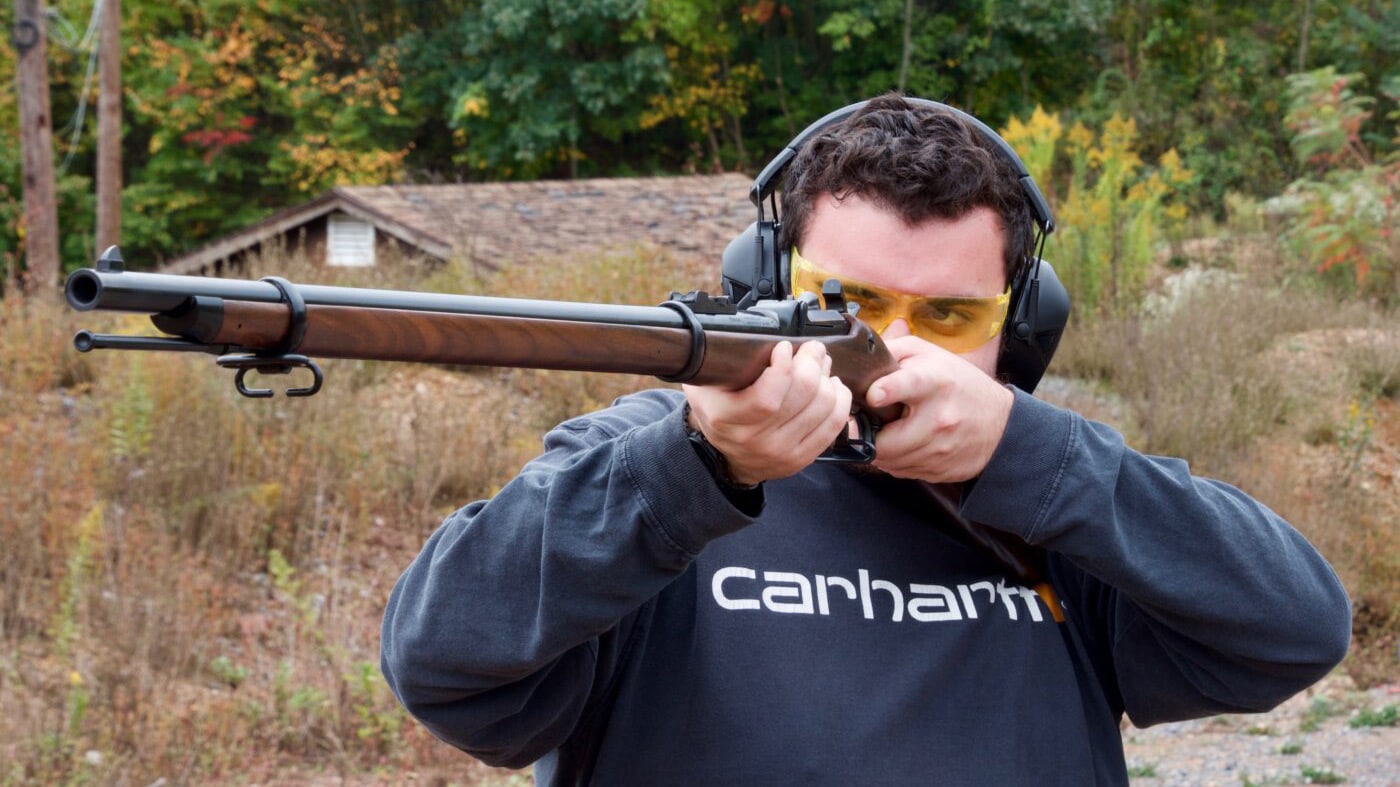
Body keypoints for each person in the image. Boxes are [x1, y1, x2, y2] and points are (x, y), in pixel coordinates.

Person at [380, 95, 1351, 785]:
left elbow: (1292, 629)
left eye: (945, 312)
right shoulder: (646, 463)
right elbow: (438, 661)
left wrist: (1027, 453)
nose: (894, 348)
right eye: (851, 305)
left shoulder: (1053, 499)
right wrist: (696, 470)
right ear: (769, 285)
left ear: (1018, 327)